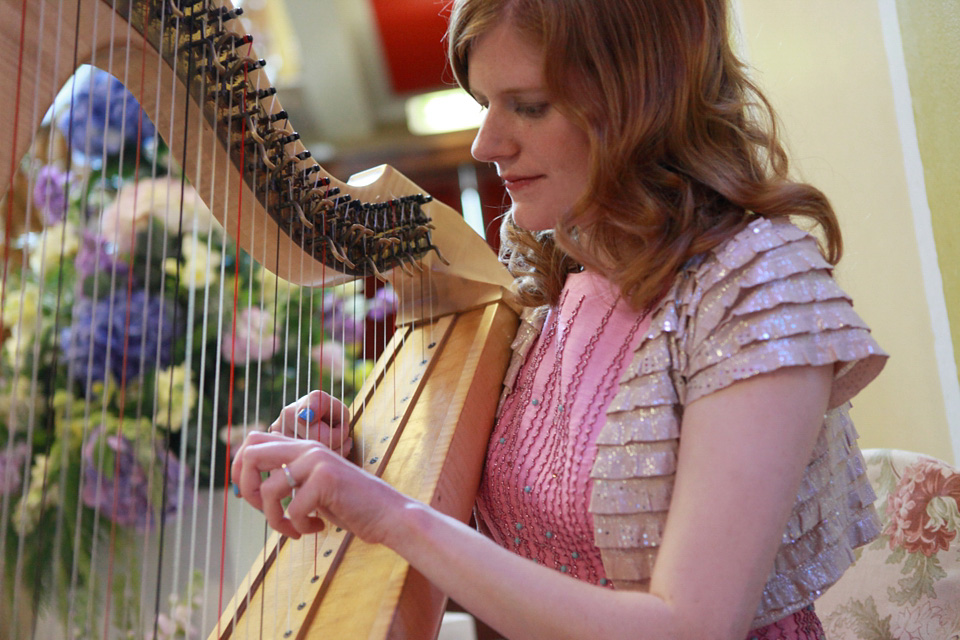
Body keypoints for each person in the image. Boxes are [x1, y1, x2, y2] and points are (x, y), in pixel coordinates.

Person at [231, 1, 888, 638]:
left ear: (643, 98)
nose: (488, 142)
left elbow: (689, 626)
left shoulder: (758, 285)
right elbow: (531, 527)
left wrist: (393, 515)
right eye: (485, 103)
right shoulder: (557, 272)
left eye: (530, 105)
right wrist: (362, 461)